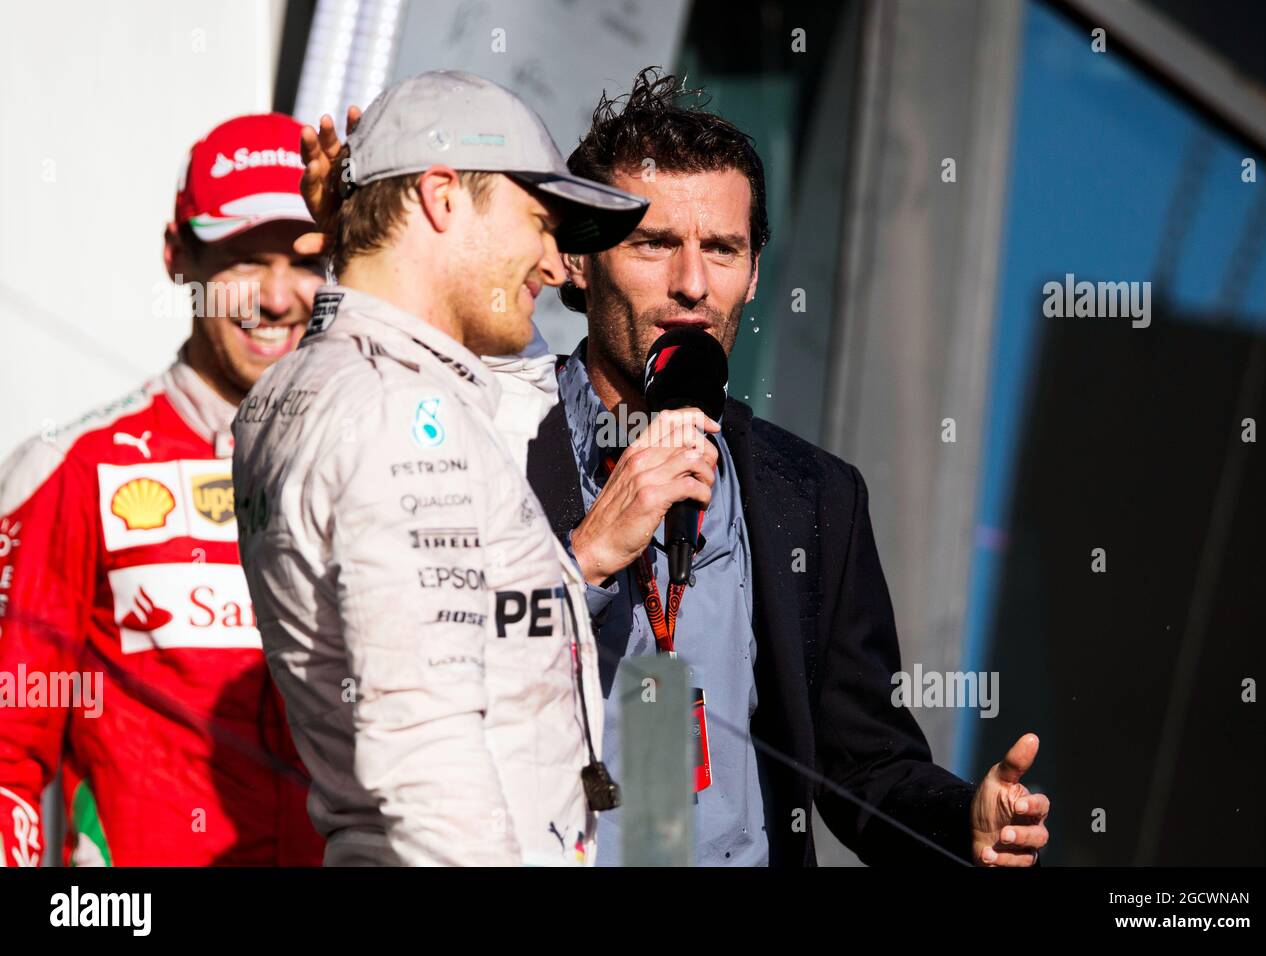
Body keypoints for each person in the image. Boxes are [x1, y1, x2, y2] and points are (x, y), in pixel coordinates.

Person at [534, 69, 1053, 867]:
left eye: (722, 249)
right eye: (654, 244)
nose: (693, 285)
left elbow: (865, 763)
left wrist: (963, 823)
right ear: (576, 258)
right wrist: (586, 560)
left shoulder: (813, 494)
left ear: (754, 266)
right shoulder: (497, 445)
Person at [232, 70, 709, 866]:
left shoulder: (305, 385)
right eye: (538, 221)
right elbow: (425, 741)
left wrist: (577, 560)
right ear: (443, 199)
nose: (557, 266)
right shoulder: (402, 414)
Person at [0, 113, 326, 866]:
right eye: (244, 260)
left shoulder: (372, 466)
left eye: (306, 260)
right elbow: (8, 758)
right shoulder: (73, 468)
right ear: (179, 257)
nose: (277, 298)